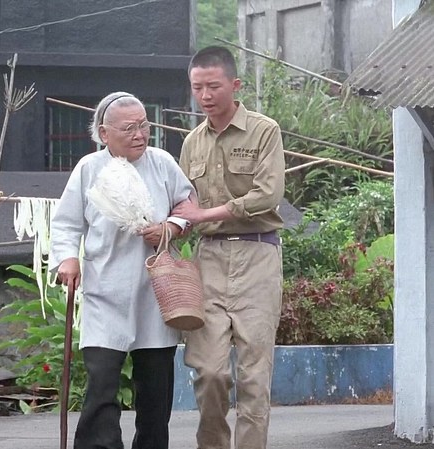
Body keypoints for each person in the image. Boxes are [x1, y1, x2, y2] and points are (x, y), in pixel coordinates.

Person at [50, 91, 193, 449]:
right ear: (104, 133)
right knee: (101, 383)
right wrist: (67, 258)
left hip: (156, 292)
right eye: (129, 128)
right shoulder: (89, 168)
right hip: (105, 291)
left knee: (155, 390)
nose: (140, 134)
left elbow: (188, 205)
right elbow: (66, 223)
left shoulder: (162, 163)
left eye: (144, 125)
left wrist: (170, 227)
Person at [171, 46, 285, 449]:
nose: (205, 95)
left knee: (254, 376)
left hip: (258, 256)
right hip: (209, 259)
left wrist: (204, 214)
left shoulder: (264, 130)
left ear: (235, 85)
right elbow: (183, 207)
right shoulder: (191, 143)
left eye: (213, 86)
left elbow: (268, 195)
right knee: (209, 371)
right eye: (197, 87)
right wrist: (164, 230)